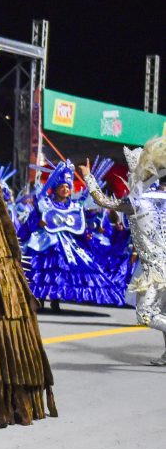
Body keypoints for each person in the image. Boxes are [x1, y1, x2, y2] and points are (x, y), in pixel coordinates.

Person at [81, 143, 166, 363]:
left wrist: (89, 177)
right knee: (162, 311)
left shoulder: (137, 203)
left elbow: (103, 200)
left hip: (155, 270)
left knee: (146, 314)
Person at [18, 160, 124, 310]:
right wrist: (38, 224)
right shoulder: (45, 203)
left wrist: (88, 234)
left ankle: (56, 299)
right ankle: (39, 298)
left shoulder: (75, 206)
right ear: (55, 189)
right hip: (45, 242)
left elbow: (81, 224)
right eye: (62, 186)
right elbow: (31, 221)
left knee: (64, 271)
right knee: (43, 271)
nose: (65, 189)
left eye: (68, 187)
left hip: (68, 243)